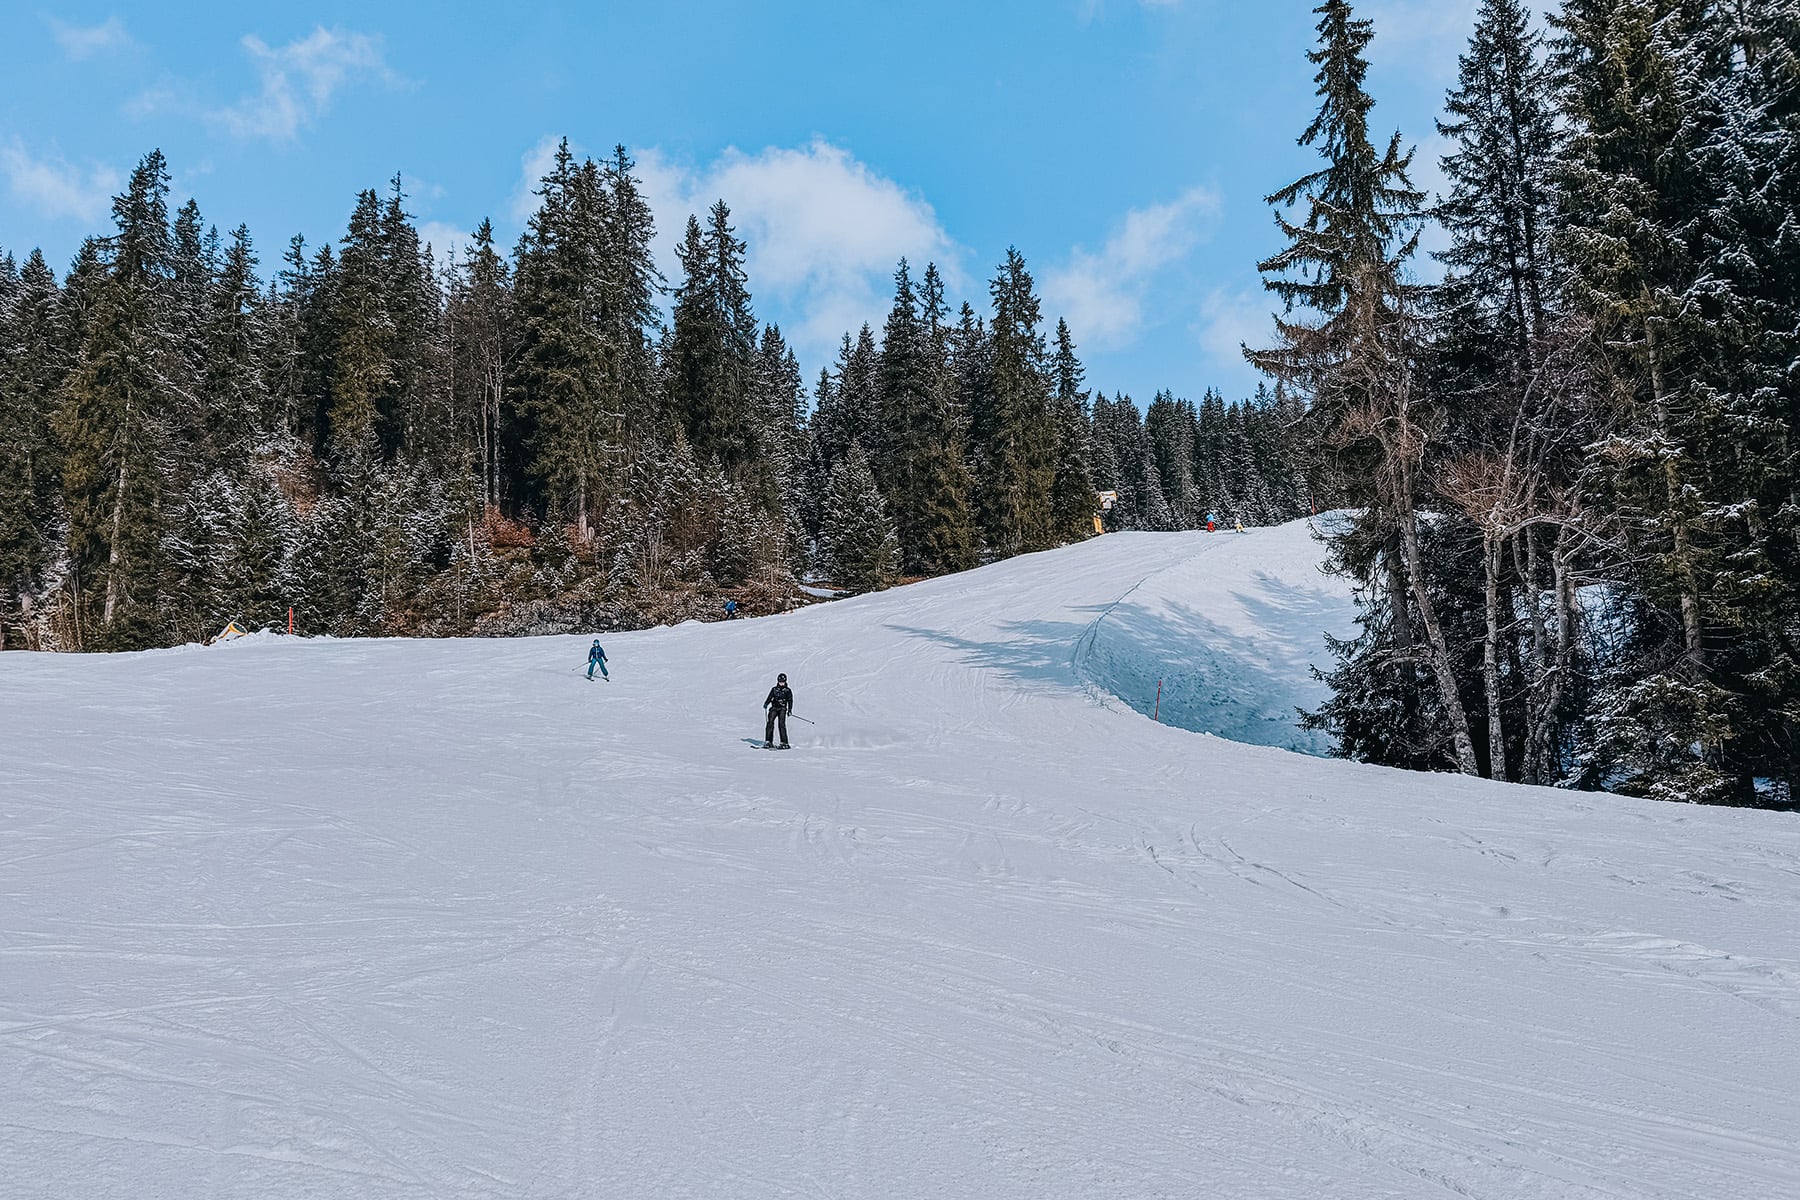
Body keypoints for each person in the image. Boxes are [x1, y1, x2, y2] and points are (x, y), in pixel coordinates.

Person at [763, 672, 793, 749]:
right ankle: (768, 741)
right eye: (780, 682)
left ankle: (784, 742)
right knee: (770, 723)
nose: (781, 683)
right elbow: (770, 697)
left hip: (782, 708)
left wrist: (789, 710)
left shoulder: (787, 690)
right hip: (774, 708)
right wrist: (766, 703)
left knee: (781, 724)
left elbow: (790, 700)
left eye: (783, 682)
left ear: (785, 681)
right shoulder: (774, 689)